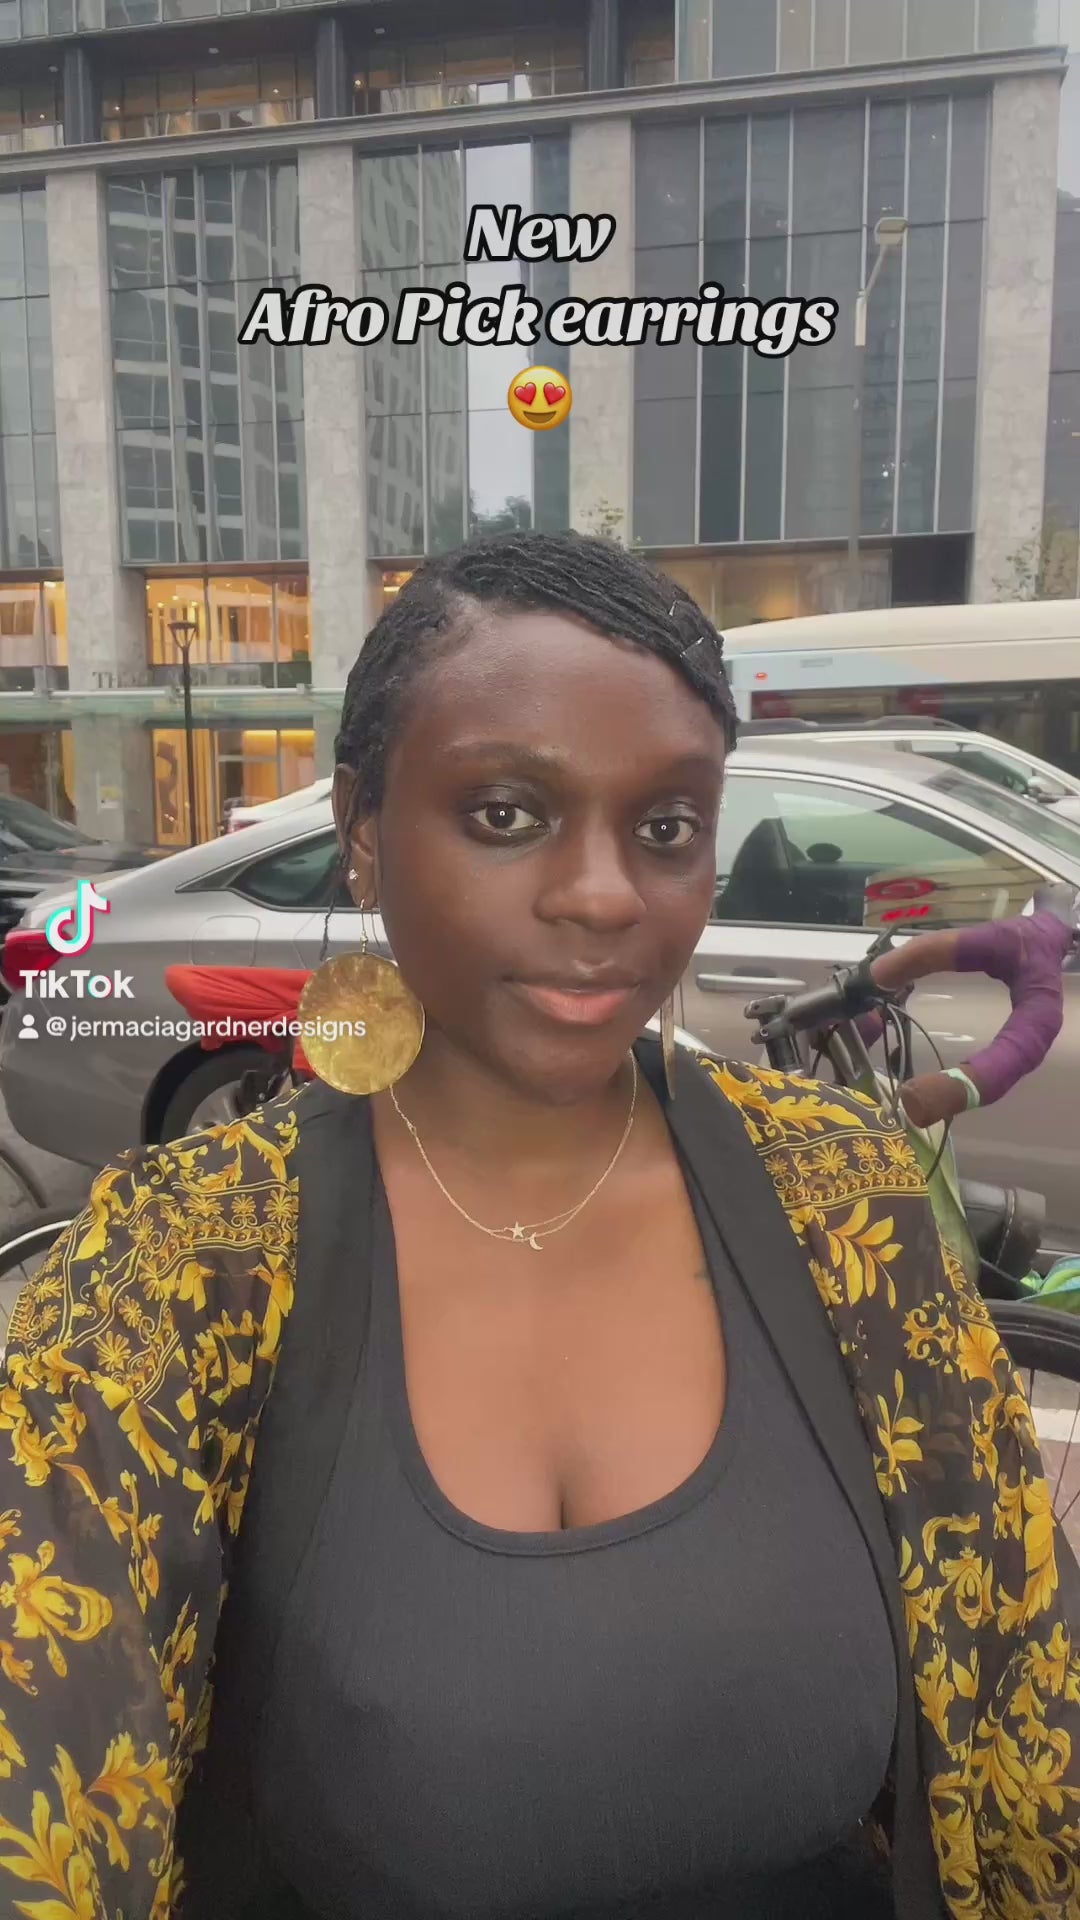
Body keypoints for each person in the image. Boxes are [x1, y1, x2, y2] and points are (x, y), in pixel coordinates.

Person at [0, 531, 1077, 1920]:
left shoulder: (843, 1203)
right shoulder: (183, 1264)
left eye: (668, 826)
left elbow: (1016, 1711)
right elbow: (50, 1787)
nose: (604, 895)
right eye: (506, 813)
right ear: (365, 833)